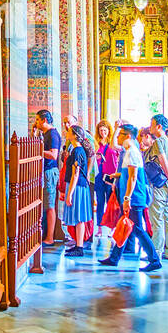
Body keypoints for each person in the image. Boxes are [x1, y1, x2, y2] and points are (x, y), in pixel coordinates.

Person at [97, 124, 163, 272]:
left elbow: (133, 178)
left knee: (138, 229)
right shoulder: (129, 152)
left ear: (127, 136)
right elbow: (129, 174)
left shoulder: (132, 152)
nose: (118, 137)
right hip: (131, 197)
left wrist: (127, 199)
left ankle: (154, 260)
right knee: (125, 226)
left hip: (134, 197)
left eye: (120, 134)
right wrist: (117, 175)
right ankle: (114, 258)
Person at [145, 113, 168, 260]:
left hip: (160, 185)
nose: (150, 127)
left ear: (159, 126)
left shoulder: (158, 142)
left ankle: (156, 252)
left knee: (157, 218)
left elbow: (163, 161)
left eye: (152, 124)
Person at [62, 126, 95, 257]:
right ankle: (78, 244)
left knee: (79, 216)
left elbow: (75, 174)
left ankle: (79, 246)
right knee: (78, 217)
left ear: (75, 135)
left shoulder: (77, 151)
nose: (66, 133)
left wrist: (69, 194)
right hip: (78, 186)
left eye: (69, 132)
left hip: (77, 187)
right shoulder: (78, 150)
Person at [34, 109, 62, 246]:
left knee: (50, 205)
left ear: (44, 120)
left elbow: (53, 155)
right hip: (45, 171)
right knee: (46, 204)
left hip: (50, 172)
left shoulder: (53, 135)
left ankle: (50, 237)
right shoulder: (45, 134)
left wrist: (38, 149)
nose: (36, 123)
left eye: (38, 120)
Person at [93, 120, 119, 233]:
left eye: (105, 130)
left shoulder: (112, 143)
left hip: (110, 175)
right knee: (100, 201)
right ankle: (99, 227)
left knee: (110, 201)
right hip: (99, 175)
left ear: (108, 131)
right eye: (101, 130)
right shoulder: (96, 143)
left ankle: (111, 228)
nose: (103, 132)